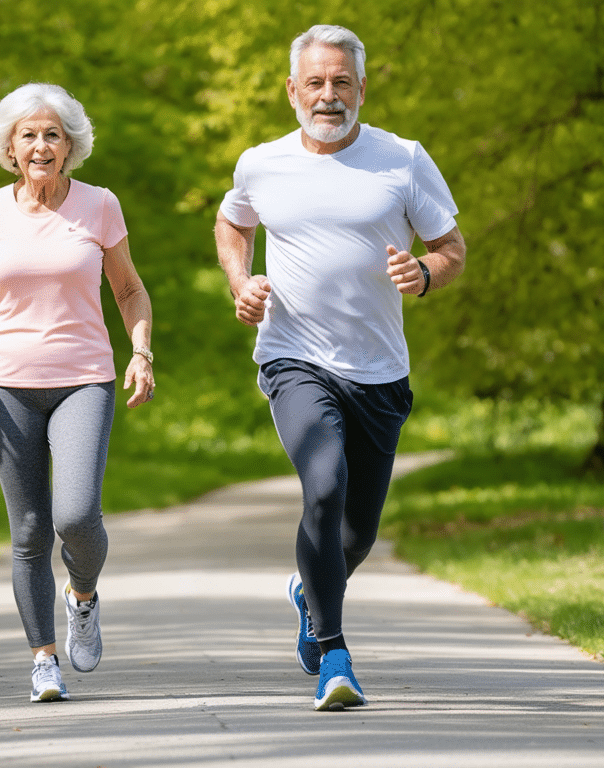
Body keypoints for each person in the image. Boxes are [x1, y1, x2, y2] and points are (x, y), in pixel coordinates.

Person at [215, 24, 466, 711]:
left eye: (342, 82)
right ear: (292, 90)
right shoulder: (261, 163)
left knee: (357, 532)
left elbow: (450, 246)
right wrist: (242, 281)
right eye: (316, 83)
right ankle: (334, 653)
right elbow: (232, 224)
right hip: (293, 357)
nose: (329, 96)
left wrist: (423, 273)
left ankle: (309, 589)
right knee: (322, 485)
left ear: (361, 88)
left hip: (379, 371)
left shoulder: (403, 159)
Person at [0, 82, 154, 703]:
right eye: (29, 134)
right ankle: (43, 658)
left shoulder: (99, 206)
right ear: (10, 146)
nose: (41, 145)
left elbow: (130, 291)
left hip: (85, 376)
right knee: (30, 530)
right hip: (3, 383)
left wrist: (140, 350)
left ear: (70, 146)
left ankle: (82, 594)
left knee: (77, 515)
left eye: (52, 134)